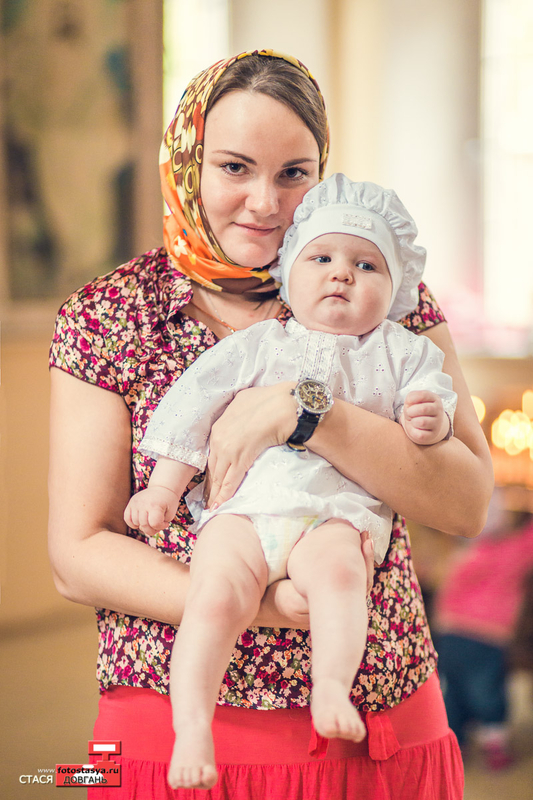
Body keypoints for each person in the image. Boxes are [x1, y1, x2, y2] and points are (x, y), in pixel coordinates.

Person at [48, 50, 493, 800]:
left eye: (294, 173)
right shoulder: (111, 314)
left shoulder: (381, 293)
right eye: (234, 167)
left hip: (373, 719)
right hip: (169, 727)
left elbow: (466, 503)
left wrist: (306, 411)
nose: (264, 202)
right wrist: (265, 604)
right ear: (188, 165)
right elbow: (78, 555)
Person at [125, 174, 457, 789]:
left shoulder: (403, 352)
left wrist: (429, 418)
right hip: (245, 509)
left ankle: (331, 687)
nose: (342, 274)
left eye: (366, 265)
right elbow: (194, 406)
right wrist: (165, 488)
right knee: (214, 596)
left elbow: (435, 405)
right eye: (321, 259)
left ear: (396, 290)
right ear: (289, 273)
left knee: (342, 577)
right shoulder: (260, 343)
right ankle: (192, 723)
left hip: (335, 516)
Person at [433, 491, 533, 770]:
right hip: (484, 633)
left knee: (456, 690)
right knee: (485, 690)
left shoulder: (467, 552)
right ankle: (491, 744)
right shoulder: (511, 550)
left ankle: (458, 744)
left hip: (455, 630)